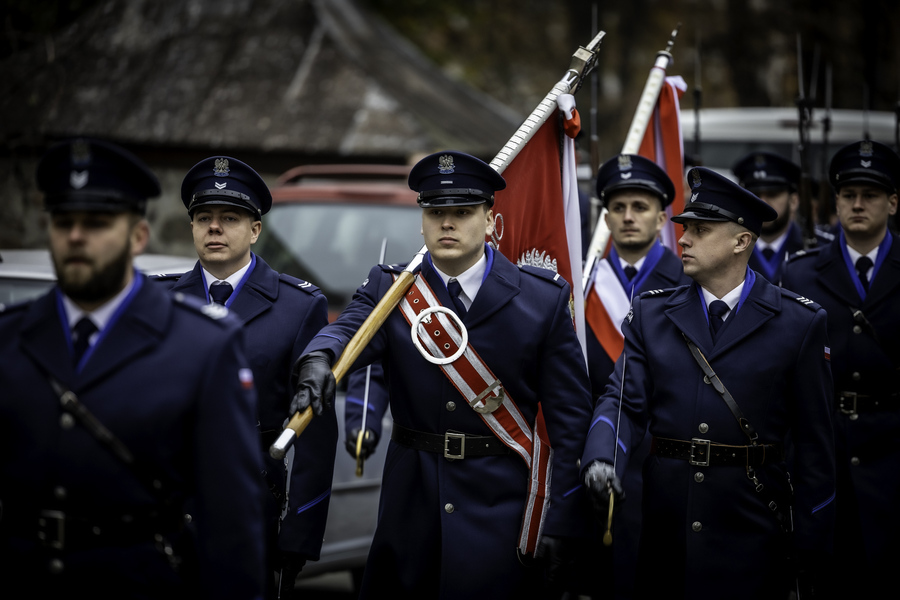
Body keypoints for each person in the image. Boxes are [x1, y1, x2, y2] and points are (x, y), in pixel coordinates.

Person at [287, 151, 593, 598]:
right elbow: (344, 332)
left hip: (502, 506)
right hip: (411, 502)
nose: (447, 223)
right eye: (435, 213)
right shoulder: (391, 289)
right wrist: (317, 359)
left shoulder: (541, 300)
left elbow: (571, 424)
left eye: (463, 213)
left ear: (491, 222)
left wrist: (562, 522)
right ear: (422, 222)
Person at [0, 138, 266, 598]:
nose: (77, 236)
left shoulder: (200, 347)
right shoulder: (10, 339)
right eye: (64, 222)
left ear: (138, 236)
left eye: (98, 223)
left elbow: (230, 521)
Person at [582, 166, 835, 599]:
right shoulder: (651, 314)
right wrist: (603, 457)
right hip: (667, 529)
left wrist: (810, 543)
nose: (682, 239)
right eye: (684, 228)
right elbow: (622, 401)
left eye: (700, 230)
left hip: (753, 529)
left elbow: (815, 446)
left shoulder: (799, 322)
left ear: (741, 241)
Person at [158, 156, 337, 597]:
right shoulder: (158, 299)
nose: (214, 228)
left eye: (230, 218)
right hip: (164, 509)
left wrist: (300, 530)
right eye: (203, 218)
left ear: (255, 230)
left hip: (250, 505)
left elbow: (315, 428)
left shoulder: (297, 306)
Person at [780, 139, 900, 600]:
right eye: (848, 193)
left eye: (870, 194)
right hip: (825, 455)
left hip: (891, 452)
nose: (857, 204)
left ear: (893, 202)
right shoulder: (802, 275)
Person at [579, 153, 691, 600]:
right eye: (619, 207)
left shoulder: (688, 278)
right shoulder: (582, 277)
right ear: (605, 215)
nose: (628, 217)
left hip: (665, 457)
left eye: (640, 207)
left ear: (662, 216)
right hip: (597, 450)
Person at [731, 150, 832, 283]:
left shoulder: (822, 248)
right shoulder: (727, 247)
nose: (763, 203)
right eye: (754, 195)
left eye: (772, 194)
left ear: (793, 201)